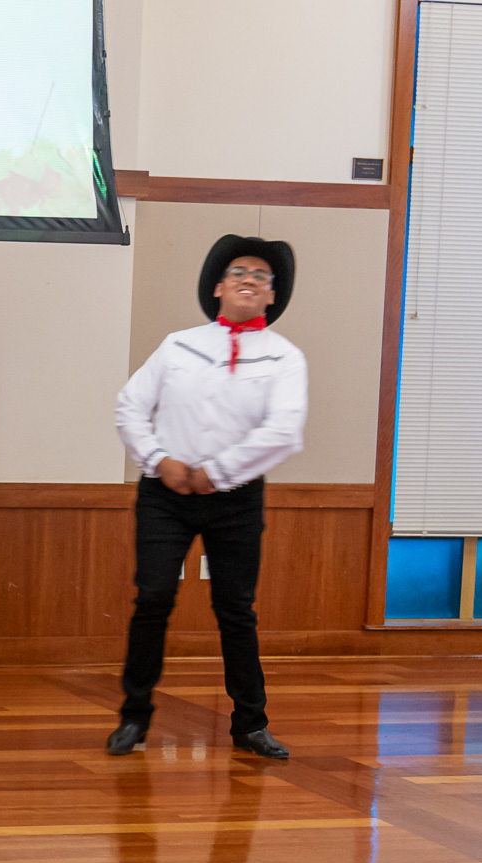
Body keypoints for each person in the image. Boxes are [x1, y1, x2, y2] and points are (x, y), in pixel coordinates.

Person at [109, 235, 307, 760]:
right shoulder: (179, 344)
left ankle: (250, 723)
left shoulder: (284, 358)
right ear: (217, 287)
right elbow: (130, 406)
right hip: (165, 493)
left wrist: (215, 473)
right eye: (238, 271)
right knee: (152, 599)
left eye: (261, 276)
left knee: (235, 609)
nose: (249, 280)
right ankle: (134, 718)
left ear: (272, 295)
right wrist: (159, 462)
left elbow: (284, 431)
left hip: (236, 498)